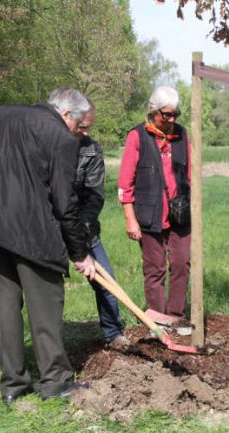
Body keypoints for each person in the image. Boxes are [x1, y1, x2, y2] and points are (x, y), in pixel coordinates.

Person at [0, 88, 95, 403]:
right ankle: (56, 381)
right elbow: (65, 203)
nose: (82, 136)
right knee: (46, 303)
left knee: (2, 307)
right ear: (66, 115)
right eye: (82, 128)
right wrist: (80, 253)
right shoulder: (59, 137)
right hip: (33, 230)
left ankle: (13, 387)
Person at [118, 86, 191, 327]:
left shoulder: (182, 135)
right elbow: (125, 182)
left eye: (175, 114)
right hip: (150, 215)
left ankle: (176, 316)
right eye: (166, 114)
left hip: (180, 215)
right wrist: (131, 218)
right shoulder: (137, 136)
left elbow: (189, 175)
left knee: (181, 264)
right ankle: (157, 322)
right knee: (155, 268)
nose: (171, 120)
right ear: (154, 111)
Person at [73, 104, 129, 350]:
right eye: (82, 126)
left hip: (84, 228)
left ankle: (113, 333)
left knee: (106, 281)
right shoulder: (45, 145)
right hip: (48, 231)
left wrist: (79, 232)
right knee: (50, 293)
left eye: (89, 127)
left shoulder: (91, 150)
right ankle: (51, 347)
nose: (86, 133)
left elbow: (95, 196)